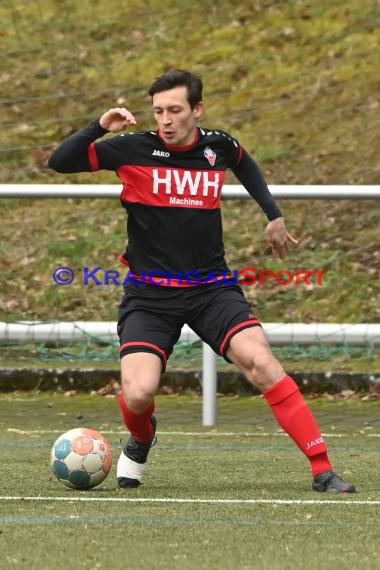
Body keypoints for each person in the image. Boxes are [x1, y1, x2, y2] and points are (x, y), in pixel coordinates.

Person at [48, 69, 356, 493]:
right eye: (158, 111)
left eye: (175, 110)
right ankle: (141, 438)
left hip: (211, 289)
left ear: (197, 109)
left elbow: (246, 165)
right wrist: (100, 126)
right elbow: (60, 162)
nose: (165, 120)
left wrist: (273, 215)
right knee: (138, 394)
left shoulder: (218, 145)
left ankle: (322, 468)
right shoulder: (132, 148)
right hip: (150, 296)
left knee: (263, 363)